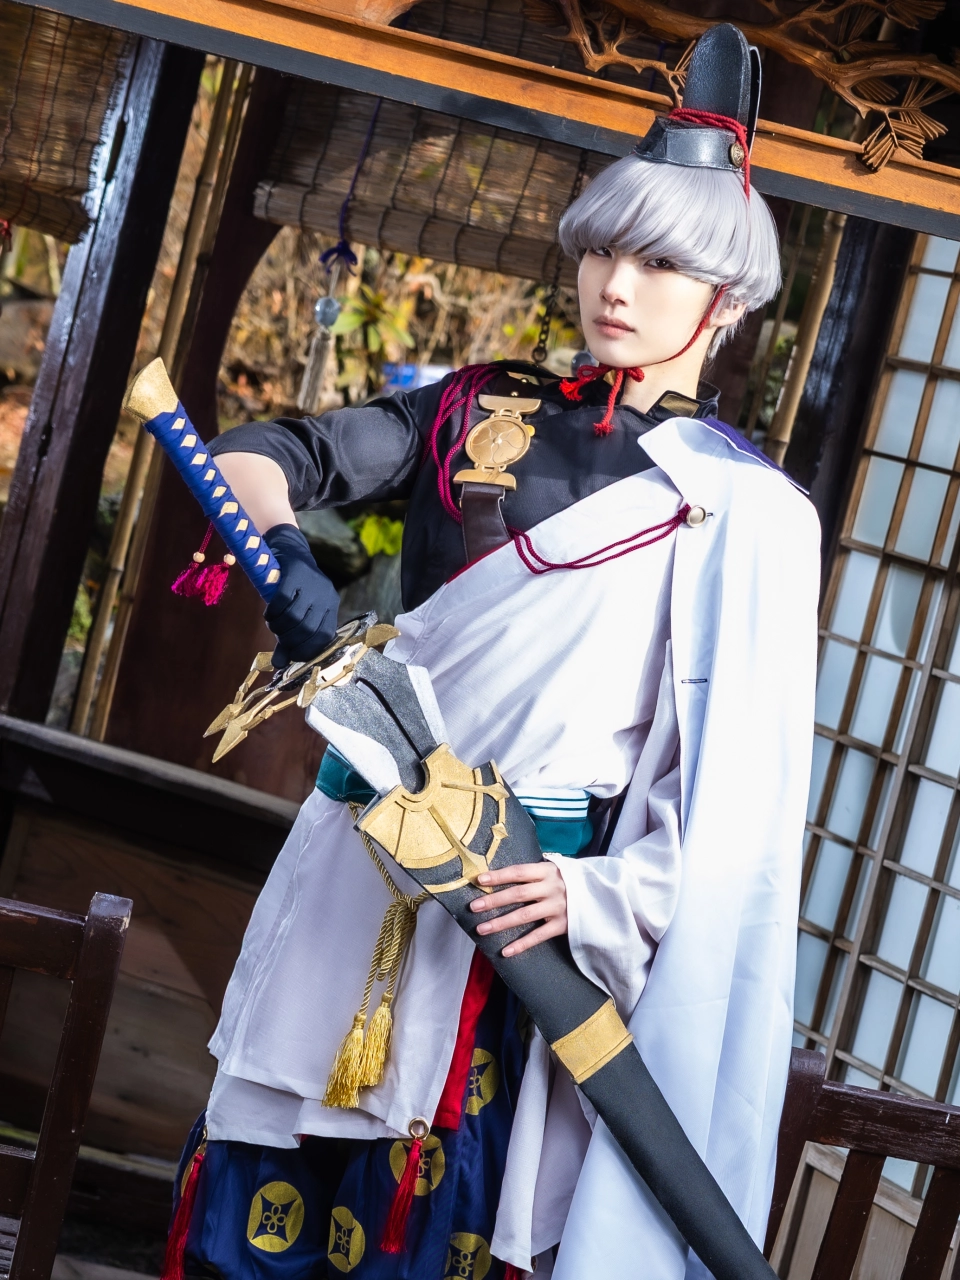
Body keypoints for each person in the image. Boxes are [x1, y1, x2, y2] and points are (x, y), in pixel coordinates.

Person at [162, 23, 819, 1280]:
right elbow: (264, 452)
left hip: (520, 915)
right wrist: (283, 555)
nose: (617, 284)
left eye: (662, 261)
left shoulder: (745, 512)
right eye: (605, 249)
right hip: (358, 857)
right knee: (263, 1204)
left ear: (727, 299)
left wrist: (602, 894)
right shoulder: (476, 406)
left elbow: (729, 803)